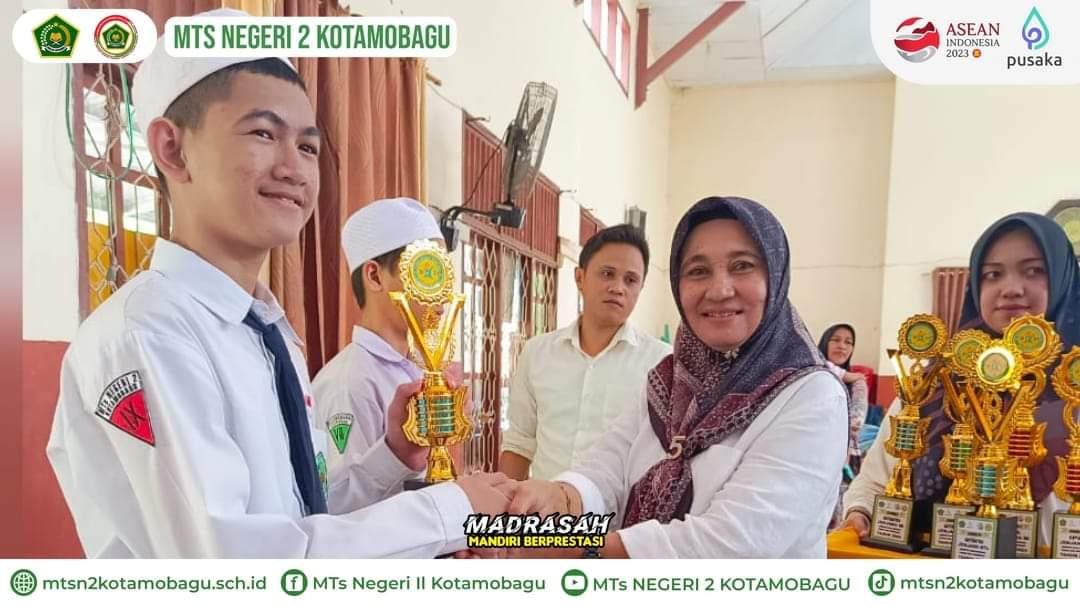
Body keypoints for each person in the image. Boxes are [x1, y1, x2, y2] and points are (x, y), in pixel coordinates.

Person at [46, 9, 511, 558]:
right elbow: (233, 564)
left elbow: (302, 514)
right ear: (173, 148)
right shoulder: (150, 333)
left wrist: (389, 456)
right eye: (263, 133)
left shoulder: (269, 334)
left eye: (309, 147)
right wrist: (451, 510)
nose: (295, 169)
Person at [504, 196, 848, 558]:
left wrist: (580, 550)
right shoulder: (668, 382)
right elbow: (610, 466)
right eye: (698, 271)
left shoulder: (812, 397)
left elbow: (733, 544)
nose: (719, 290)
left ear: (775, 277)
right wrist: (562, 496)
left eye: (742, 266)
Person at [840, 212, 1080, 548]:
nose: (1011, 289)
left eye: (1034, 271)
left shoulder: (1073, 386)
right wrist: (860, 514)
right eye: (993, 274)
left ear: (1063, 278)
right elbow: (874, 481)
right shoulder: (934, 384)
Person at [312, 197, 452, 513]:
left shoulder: (418, 371)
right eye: (427, 272)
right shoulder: (349, 383)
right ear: (375, 276)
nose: (442, 292)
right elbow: (336, 506)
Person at [499, 224, 671, 481]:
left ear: (640, 288)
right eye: (607, 274)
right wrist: (503, 502)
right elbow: (519, 443)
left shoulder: (661, 364)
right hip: (544, 503)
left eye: (631, 280)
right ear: (580, 278)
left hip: (619, 507)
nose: (618, 288)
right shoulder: (537, 354)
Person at [817, 323, 869, 526]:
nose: (842, 346)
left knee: (835, 516)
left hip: (843, 457)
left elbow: (856, 422)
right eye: (836, 340)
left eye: (848, 342)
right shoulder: (811, 374)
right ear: (825, 342)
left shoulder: (857, 382)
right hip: (812, 454)